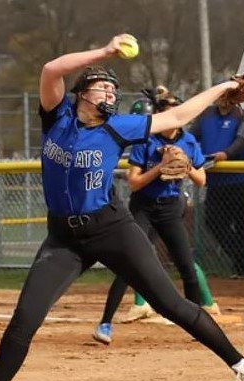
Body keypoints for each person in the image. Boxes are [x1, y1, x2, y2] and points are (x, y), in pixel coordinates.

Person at [0, 34, 244, 381]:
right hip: (63, 239)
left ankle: (240, 364)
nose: (108, 92)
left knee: (171, 303)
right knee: (24, 320)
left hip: (110, 227)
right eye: (101, 86)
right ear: (81, 94)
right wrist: (105, 52)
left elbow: (175, 118)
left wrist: (226, 85)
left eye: (112, 88)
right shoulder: (57, 117)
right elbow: (52, 70)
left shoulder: (118, 127)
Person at [93, 86, 221, 344]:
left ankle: (197, 324)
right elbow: (135, 182)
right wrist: (160, 168)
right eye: (163, 114)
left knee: (186, 265)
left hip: (171, 209)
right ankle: (105, 323)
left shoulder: (188, 142)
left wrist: (185, 166)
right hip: (144, 208)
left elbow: (201, 180)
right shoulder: (146, 141)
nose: (167, 120)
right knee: (128, 264)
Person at [190, 88, 244, 279]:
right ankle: (243, 254)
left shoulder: (243, 116)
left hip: (241, 179)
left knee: (243, 223)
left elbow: (243, 140)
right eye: (221, 95)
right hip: (216, 179)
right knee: (212, 222)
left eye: (228, 96)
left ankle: (241, 267)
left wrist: (226, 154)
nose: (224, 100)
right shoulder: (205, 115)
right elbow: (190, 136)